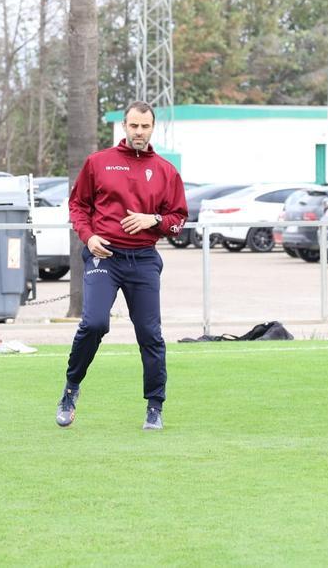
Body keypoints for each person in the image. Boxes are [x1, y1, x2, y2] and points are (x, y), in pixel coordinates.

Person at [56, 100, 188, 430]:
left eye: (145, 126)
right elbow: (77, 206)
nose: (139, 131)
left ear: (152, 128)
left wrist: (153, 219)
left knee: (149, 333)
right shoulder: (99, 163)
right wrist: (88, 238)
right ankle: (71, 389)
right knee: (95, 323)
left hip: (143, 260)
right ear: (124, 127)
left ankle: (155, 406)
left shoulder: (165, 171)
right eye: (133, 126)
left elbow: (177, 221)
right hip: (105, 257)